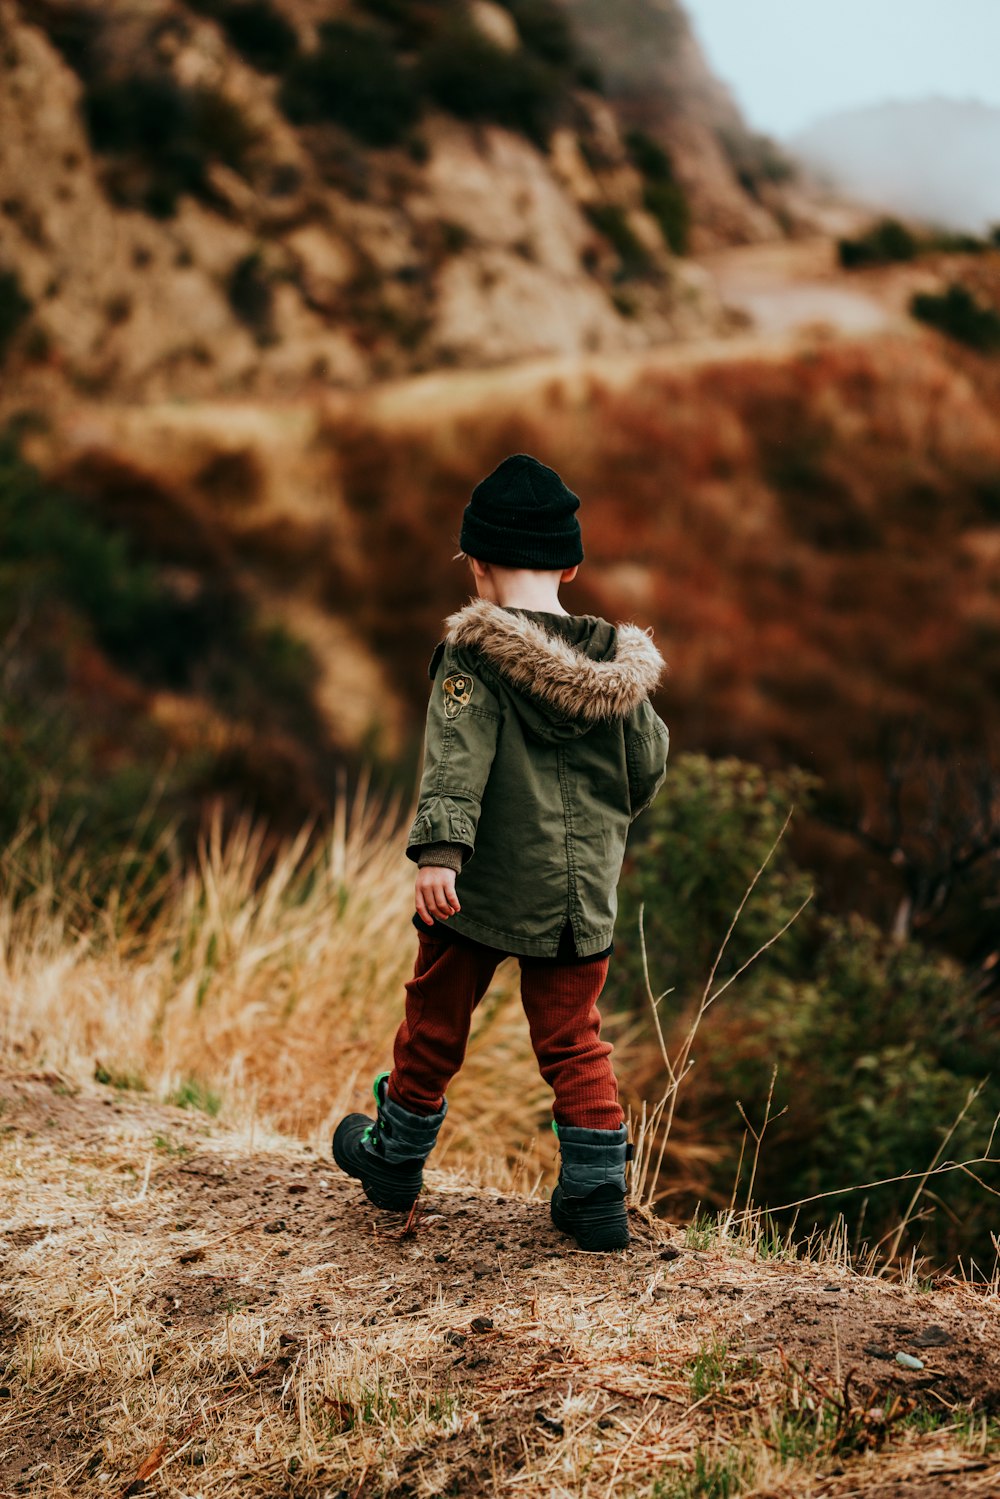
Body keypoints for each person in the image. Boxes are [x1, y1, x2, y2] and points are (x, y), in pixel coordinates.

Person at [333, 454, 669, 1251]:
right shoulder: (615, 671)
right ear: (573, 565)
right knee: (574, 1038)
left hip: (477, 893)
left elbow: (458, 756)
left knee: (436, 1021)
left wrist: (441, 854)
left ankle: (394, 1159)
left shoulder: (474, 656)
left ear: (478, 564)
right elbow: (645, 768)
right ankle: (595, 1196)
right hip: (580, 898)